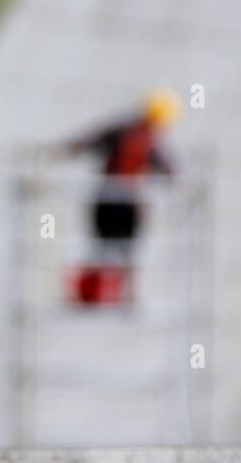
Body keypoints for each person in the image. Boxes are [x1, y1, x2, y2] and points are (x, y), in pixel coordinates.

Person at [56, 88, 182, 304]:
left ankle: (95, 294)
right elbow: (167, 169)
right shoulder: (144, 139)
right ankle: (119, 295)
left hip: (107, 200)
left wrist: (62, 151)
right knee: (122, 250)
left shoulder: (125, 132)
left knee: (104, 248)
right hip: (125, 203)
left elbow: (89, 141)